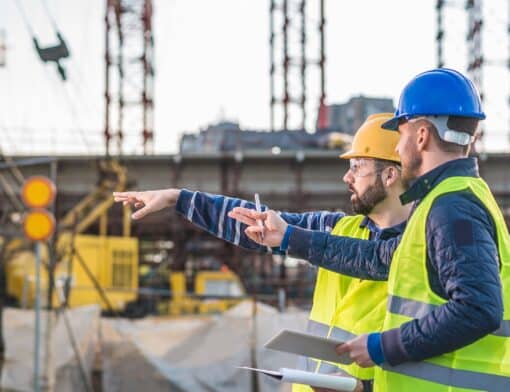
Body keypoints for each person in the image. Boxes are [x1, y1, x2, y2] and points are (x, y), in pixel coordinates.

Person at [234, 68, 510, 391]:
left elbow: (478, 308)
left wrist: (380, 347)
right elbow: (377, 257)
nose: (397, 148)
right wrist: (288, 237)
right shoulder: (446, 200)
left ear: (421, 136)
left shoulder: (453, 208)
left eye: (401, 134)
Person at [113, 113, 410, 392]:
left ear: (390, 175)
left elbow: (425, 350)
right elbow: (256, 224)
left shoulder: (421, 246)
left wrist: (364, 387)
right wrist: (178, 198)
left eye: (357, 166)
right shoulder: (337, 228)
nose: (347, 177)